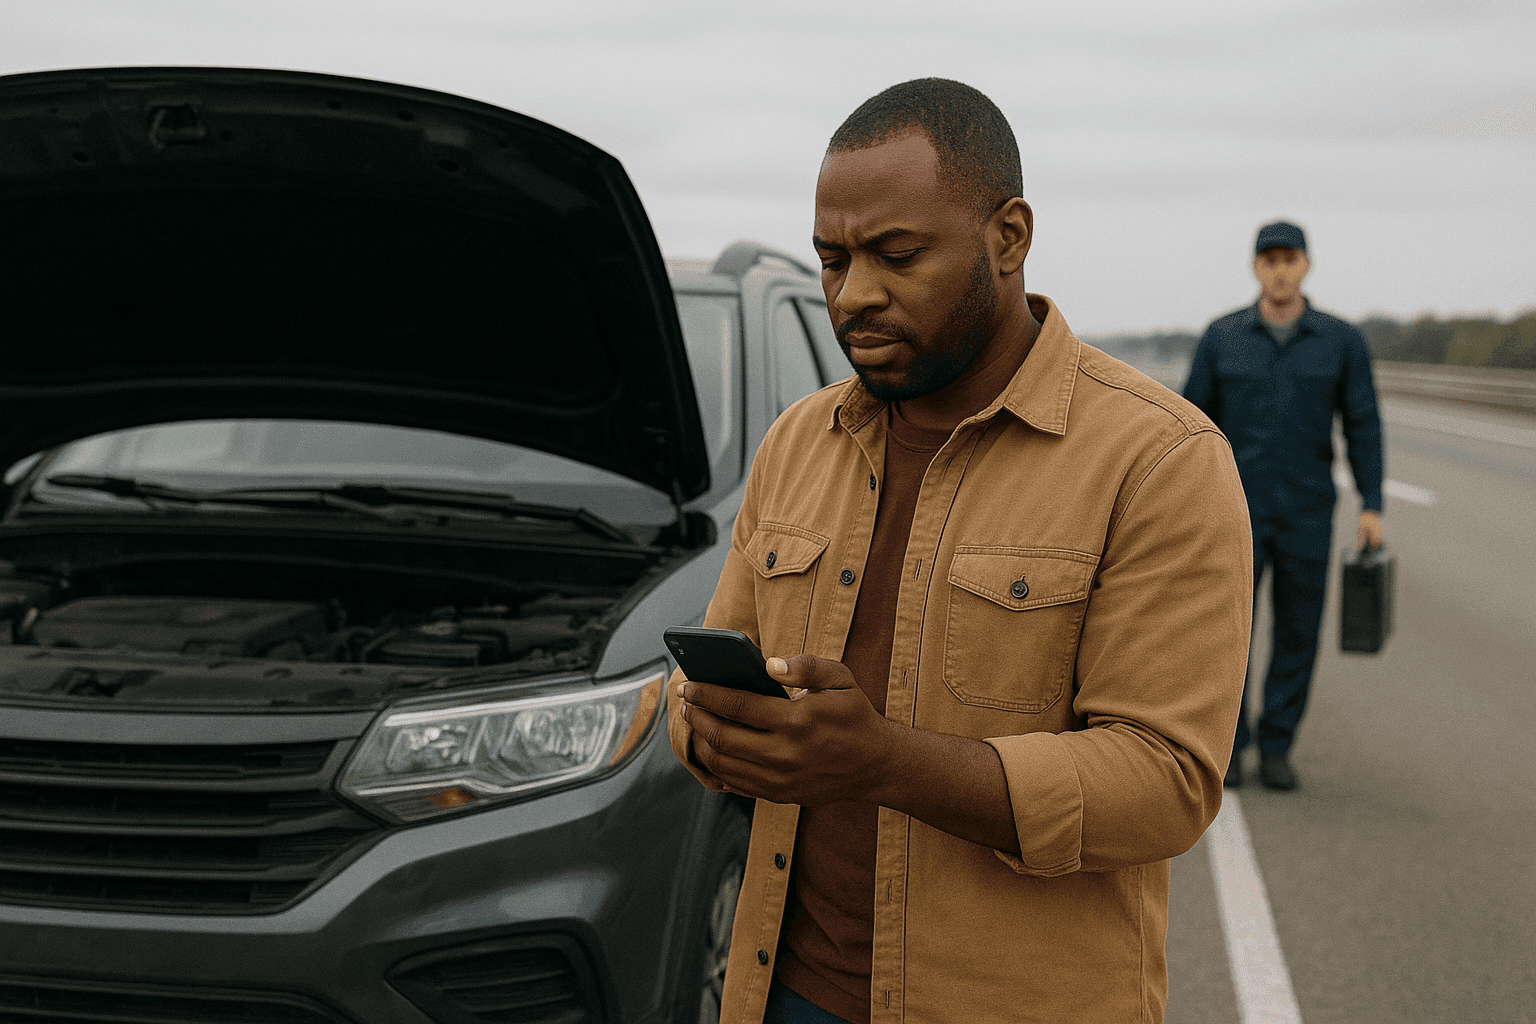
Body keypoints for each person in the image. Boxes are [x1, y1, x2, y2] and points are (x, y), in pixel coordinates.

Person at [669, 78, 1253, 1024]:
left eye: (897, 256)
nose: (854, 296)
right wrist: (711, 727)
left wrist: (881, 762)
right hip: (783, 994)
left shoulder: (1160, 461)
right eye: (831, 260)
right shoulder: (794, 443)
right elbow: (702, 683)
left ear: (1008, 237)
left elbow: (1164, 783)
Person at [1182, 220, 1384, 792]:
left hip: (1307, 513)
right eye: (1268, 259)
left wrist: (1371, 503)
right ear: (1255, 267)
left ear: (1306, 265)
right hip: (1229, 515)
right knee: (1227, 635)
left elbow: (1363, 425)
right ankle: (1229, 747)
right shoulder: (1222, 338)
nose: (1279, 269)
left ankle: (1277, 746)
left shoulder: (1341, 341)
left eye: (1289, 258)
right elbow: (1191, 426)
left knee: (1299, 632)